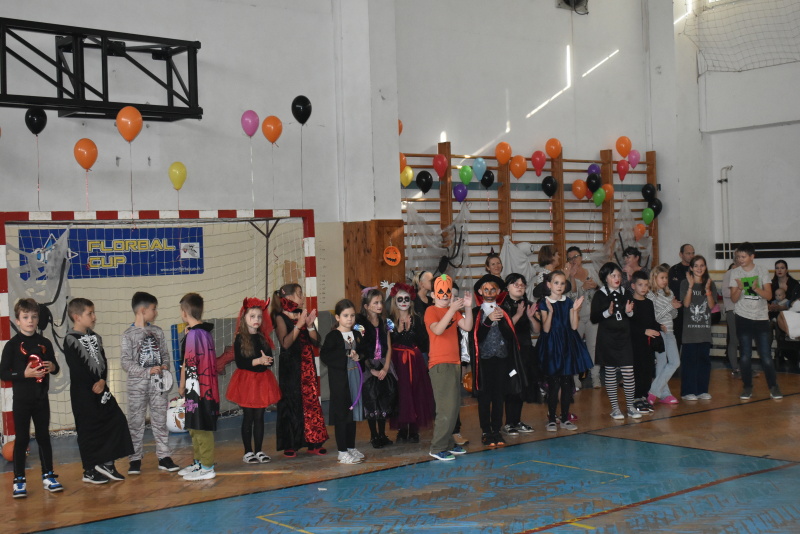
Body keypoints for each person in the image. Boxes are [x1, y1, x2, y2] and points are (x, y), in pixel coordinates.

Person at [64, 298, 134, 484]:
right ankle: (89, 470)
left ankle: (107, 463)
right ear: (77, 317)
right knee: (88, 429)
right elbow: (77, 368)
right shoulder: (70, 340)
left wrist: (102, 380)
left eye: (93, 313)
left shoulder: (96, 337)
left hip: (101, 389)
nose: (94, 317)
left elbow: (103, 361)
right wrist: (93, 385)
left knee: (116, 420)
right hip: (83, 393)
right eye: (90, 313)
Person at [0, 299, 63, 498]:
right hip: (22, 401)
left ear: (38, 319)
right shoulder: (12, 345)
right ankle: (19, 480)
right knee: (22, 439)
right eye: (25, 317)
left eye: (34, 317)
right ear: (17, 320)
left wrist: (53, 366)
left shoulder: (45, 343)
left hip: (41, 399)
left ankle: (48, 475)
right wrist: (23, 374)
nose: (30, 320)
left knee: (44, 437)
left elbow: (55, 368)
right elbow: (3, 373)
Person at [120, 292, 178, 475]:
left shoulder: (158, 332)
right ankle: (135, 459)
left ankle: (164, 457)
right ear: (143, 311)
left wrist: (165, 365)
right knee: (135, 422)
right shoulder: (128, 335)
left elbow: (165, 354)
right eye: (154, 309)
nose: (156, 312)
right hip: (137, 387)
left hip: (158, 385)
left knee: (160, 420)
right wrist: (146, 371)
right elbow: (125, 362)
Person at [271, 283, 328, 456]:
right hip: (290, 367)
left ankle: (314, 442)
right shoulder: (279, 317)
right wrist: (299, 325)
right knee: (291, 401)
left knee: (310, 401)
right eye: (299, 294)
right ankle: (290, 444)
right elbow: (286, 343)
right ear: (288, 297)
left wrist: (309, 325)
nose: (302, 298)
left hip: (307, 366)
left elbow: (316, 341)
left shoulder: (301, 314)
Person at [471, 274, 525, 447]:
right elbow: (477, 338)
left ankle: (496, 429)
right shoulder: (476, 312)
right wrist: (488, 321)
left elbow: (510, 336)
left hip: (501, 360)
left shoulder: (504, 311)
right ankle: (486, 431)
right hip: (484, 361)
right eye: (486, 289)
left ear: (498, 291)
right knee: (484, 397)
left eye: (492, 289)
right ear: (480, 292)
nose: (489, 292)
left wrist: (501, 320)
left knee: (499, 397)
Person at [226, 298, 281, 465]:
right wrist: (258, 361)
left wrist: (267, 361)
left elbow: (269, 359)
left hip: (262, 382)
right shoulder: (240, 338)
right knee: (248, 417)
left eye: (259, 316)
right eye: (252, 316)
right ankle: (248, 452)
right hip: (247, 382)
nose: (256, 319)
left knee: (259, 417)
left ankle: (259, 450)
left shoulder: (263, 338)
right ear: (244, 318)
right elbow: (241, 362)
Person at [537, 271, 593, 432]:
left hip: (567, 344)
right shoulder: (544, 303)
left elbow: (574, 326)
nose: (560, 286)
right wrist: (551, 312)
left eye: (562, 283)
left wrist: (575, 310)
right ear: (549, 285)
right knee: (554, 384)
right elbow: (546, 329)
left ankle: (565, 418)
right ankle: (551, 419)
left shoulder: (568, 301)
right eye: (556, 283)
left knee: (567, 383)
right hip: (551, 345)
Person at [425, 274, 473, 461]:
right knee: (445, 408)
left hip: (454, 363)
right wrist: (452, 309)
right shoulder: (431, 310)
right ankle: (437, 447)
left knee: (453, 407)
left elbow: (467, 326)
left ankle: (447, 443)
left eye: (447, 292)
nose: (445, 295)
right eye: (440, 292)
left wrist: (467, 307)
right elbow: (437, 330)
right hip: (440, 364)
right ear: (433, 295)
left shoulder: (452, 311)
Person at [729, 243, 782, 400]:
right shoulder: (735, 272)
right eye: (738, 257)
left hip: (761, 318)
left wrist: (756, 288)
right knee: (745, 355)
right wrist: (739, 288)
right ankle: (747, 387)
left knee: (765, 355)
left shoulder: (761, 270)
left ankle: (773, 386)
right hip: (742, 317)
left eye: (743, 256)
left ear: (752, 256)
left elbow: (769, 295)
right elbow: (733, 299)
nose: (740, 259)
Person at [177, 293, 220, 480]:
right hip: (199, 388)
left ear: (184, 312)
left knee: (201, 428)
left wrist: (182, 386)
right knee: (194, 427)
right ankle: (199, 462)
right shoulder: (202, 333)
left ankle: (207, 467)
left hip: (198, 390)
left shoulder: (194, 335)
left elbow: (188, 364)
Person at [590, 263, 640, 420]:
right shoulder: (600, 295)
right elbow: (594, 318)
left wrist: (629, 312)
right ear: (606, 278)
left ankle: (630, 406)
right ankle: (615, 409)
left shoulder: (626, 292)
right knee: (610, 372)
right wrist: (607, 312)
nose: (617, 278)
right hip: (607, 339)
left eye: (619, 275)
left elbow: (633, 315)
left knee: (629, 373)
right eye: (613, 276)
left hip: (624, 338)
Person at [320, 299, 366, 465]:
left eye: (352, 315)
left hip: (354, 377)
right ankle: (342, 451)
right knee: (342, 414)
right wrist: (344, 355)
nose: (349, 319)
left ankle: (351, 447)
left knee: (352, 414)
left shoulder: (357, 334)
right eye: (346, 315)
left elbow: (364, 352)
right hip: (340, 381)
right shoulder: (333, 336)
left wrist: (358, 356)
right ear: (338, 317)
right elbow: (325, 355)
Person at [387, 283, 434, 444]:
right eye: (400, 299)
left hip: (414, 361)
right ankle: (402, 429)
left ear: (411, 300)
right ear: (395, 301)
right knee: (400, 393)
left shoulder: (417, 318)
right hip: (397, 361)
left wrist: (411, 328)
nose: (403, 302)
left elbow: (423, 341)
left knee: (415, 392)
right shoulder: (390, 320)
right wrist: (399, 330)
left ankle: (414, 430)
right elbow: (387, 342)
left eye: (406, 299)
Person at [357, 288, 397, 449]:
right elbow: (360, 347)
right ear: (366, 306)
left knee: (384, 399)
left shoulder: (386, 322)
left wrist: (386, 367)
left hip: (383, 364)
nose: (380, 305)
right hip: (369, 365)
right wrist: (370, 369)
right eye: (375, 303)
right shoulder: (360, 325)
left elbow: (389, 346)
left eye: (381, 302)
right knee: (371, 400)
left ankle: (382, 434)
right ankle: (374, 435)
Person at [501, 273, 540, 433]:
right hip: (509, 352)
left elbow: (537, 330)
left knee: (522, 387)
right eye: (515, 284)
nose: (519, 286)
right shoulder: (502, 305)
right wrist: (517, 314)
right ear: (507, 287)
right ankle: (508, 422)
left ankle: (516, 421)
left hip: (524, 350)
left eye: (522, 284)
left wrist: (531, 317)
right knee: (511, 387)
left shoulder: (528, 304)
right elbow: (505, 329)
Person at [679, 255, 716, 401]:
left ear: (705, 267)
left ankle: (702, 390)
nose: (699, 268)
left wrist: (707, 290)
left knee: (704, 362)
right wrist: (690, 286)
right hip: (690, 332)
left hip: (704, 330)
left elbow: (711, 305)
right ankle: (687, 392)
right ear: (691, 268)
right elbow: (686, 304)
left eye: (702, 265)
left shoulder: (710, 283)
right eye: (696, 266)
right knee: (689, 362)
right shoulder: (684, 283)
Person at [565, 246, 600, 389]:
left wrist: (596, 286)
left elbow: (602, 290)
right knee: (575, 348)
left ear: (581, 257)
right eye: (570, 258)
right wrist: (581, 287)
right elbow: (570, 298)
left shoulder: (591, 271)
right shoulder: (567, 275)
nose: (573, 260)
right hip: (576, 318)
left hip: (592, 316)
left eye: (576, 256)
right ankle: (575, 378)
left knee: (593, 347)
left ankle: (595, 377)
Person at [647, 266, 681, 404]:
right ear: (654, 278)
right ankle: (664, 394)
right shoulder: (651, 295)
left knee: (675, 362)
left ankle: (653, 391)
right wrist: (670, 307)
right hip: (659, 332)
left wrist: (674, 308)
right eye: (662, 278)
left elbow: (673, 315)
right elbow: (655, 317)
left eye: (666, 277)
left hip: (670, 332)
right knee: (661, 363)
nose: (665, 280)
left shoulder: (669, 293)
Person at [628, 271, 660, 414]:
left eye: (646, 285)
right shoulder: (630, 303)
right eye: (640, 285)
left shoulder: (649, 303)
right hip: (634, 344)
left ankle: (643, 396)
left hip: (647, 344)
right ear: (633, 286)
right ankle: (635, 398)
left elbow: (651, 321)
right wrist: (643, 331)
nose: (643, 288)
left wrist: (659, 327)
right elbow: (629, 324)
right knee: (637, 371)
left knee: (647, 370)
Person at [669, 244, 695, 348]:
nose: (691, 256)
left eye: (693, 253)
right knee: (678, 337)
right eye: (688, 253)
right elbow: (670, 290)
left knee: (692, 339)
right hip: (678, 308)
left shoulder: (696, 269)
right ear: (681, 254)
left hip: (693, 308)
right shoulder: (674, 270)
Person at [722, 261, 741, 377]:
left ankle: (746, 367)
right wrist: (740, 290)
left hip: (746, 310)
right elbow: (725, 292)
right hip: (732, 310)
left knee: (745, 340)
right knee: (734, 339)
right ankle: (735, 368)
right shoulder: (729, 274)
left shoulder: (747, 274)